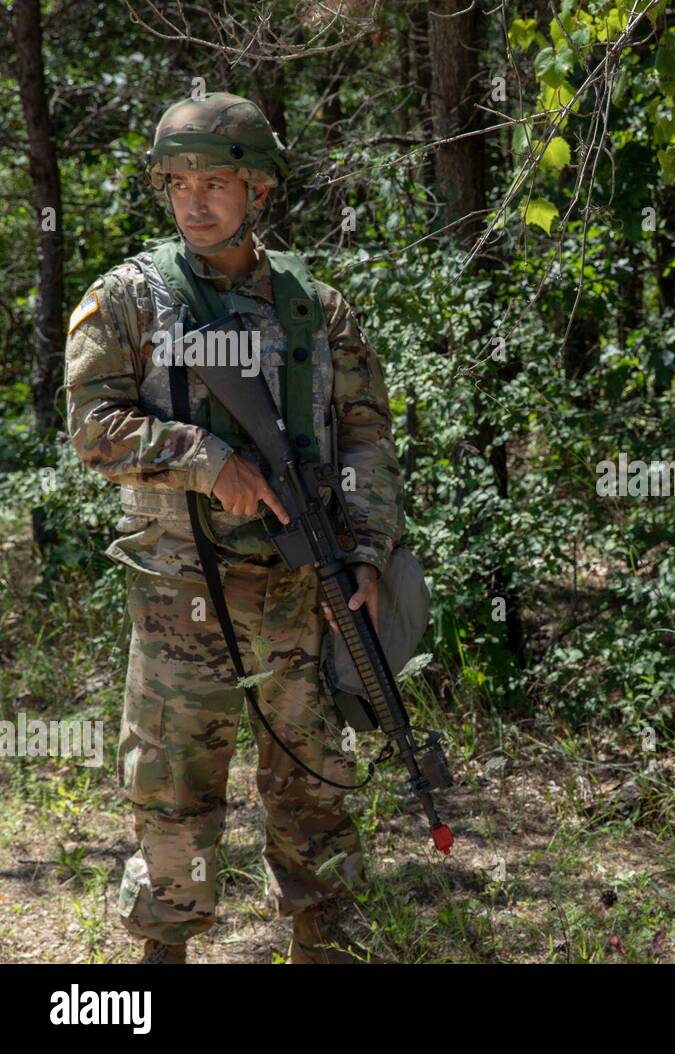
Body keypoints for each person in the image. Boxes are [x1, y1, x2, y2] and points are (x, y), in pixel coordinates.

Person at [64, 92, 405, 963]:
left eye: (214, 181)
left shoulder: (316, 309)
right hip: (181, 595)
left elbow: (365, 436)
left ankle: (326, 949)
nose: (194, 200)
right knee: (173, 797)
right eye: (178, 183)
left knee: (317, 789)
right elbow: (93, 432)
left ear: (258, 189)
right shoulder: (128, 302)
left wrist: (364, 552)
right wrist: (205, 459)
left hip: (303, 592)